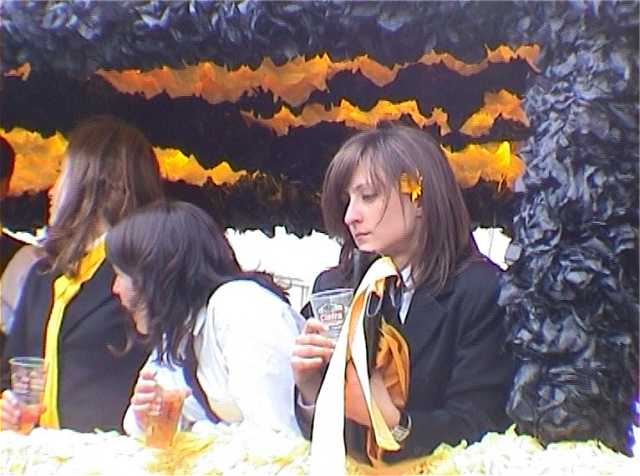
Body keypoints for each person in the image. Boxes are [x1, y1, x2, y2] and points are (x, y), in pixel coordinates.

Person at [292, 124, 514, 465]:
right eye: (347, 201)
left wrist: (393, 423)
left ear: (419, 198)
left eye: (368, 196)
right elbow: (323, 438)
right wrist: (311, 390)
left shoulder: (482, 291)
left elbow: (481, 426)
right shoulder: (335, 288)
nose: (350, 216)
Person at [1, 115, 164, 433]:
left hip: (114, 454)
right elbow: (11, 371)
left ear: (97, 182)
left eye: (62, 174)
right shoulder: (43, 274)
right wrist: (7, 406)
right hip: (38, 452)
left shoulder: (144, 271)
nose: (51, 191)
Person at [105, 200, 304, 437]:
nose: (115, 289)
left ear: (156, 275)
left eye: (121, 275)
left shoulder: (242, 308)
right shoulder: (180, 329)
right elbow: (140, 426)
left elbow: (278, 436)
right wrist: (147, 416)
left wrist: (195, 432)